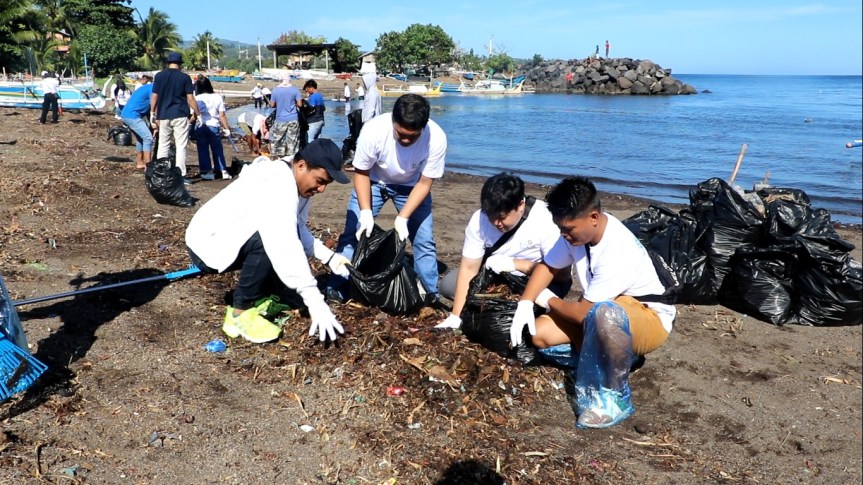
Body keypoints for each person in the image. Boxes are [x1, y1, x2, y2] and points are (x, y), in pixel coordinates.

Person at [509, 176, 675, 428]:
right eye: (560, 229)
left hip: (648, 318)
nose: (564, 235)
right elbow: (548, 266)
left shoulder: (617, 250)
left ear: (593, 217)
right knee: (540, 334)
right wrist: (525, 301)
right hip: (604, 311)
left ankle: (613, 398)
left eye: (568, 229)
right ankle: (614, 359)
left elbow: (582, 313)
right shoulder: (575, 236)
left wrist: (549, 299)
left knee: (604, 314)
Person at [185, 138, 352, 344]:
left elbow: (298, 228)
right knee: (269, 241)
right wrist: (315, 301)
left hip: (229, 235)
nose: (322, 190)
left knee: (278, 236)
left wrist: (330, 258)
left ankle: (265, 291)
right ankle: (239, 314)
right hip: (207, 243)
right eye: (320, 181)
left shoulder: (297, 184)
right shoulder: (277, 183)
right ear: (301, 165)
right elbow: (284, 244)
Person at [329, 94, 447, 304]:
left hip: (412, 187)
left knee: (424, 241)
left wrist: (402, 218)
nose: (406, 140)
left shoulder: (436, 138)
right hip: (373, 182)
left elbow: (425, 182)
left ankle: (430, 293)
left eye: (412, 136)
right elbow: (362, 173)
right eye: (401, 134)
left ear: (424, 127)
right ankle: (339, 285)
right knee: (352, 233)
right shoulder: (373, 130)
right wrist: (365, 213)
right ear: (393, 121)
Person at [435, 173, 571, 329]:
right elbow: (469, 267)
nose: (495, 223)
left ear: (520, 205)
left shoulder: (545, 218)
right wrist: (456, 316)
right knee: (448, 285)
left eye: (502, 217)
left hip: (537, 280)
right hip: (497, 278)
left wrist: (515, 265)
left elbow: (562, 275)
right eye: (491, 216)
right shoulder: (479, 219)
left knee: (515, 311)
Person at [150, 52, 201, 178]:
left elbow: (155, 96)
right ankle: (181, 175)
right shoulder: (184, 77)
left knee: (163, 145)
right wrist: (198, 114)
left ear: (168, 63)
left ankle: (161, 172)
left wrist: (152, 112)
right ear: (180, 64)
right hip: (180, 114)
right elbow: (190, 98)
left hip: (163, 114)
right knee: (181, 146)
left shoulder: (159, 76)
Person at [194, 77, 233, 181]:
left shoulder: (197, 98)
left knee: (203, 149)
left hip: (200, 125)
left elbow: (194, 115)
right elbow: (222, 115)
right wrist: (227, 128)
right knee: (217, 149)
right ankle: (222, 170)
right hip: (214, 125)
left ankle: (207, 172)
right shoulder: (217, 97)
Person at [120, 74, 155, 170]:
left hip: (128, 114)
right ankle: (149, 167)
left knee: (141, 138)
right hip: (132, 115)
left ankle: (140, 163)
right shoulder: (153, 88)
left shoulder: (147, 87)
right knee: (148, 138)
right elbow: (153, 105)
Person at [268, 78, 303, 158]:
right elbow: (300, 104)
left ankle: (279, 160)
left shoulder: (275, 90)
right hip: (293, 118)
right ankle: (291, 160)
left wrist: (280, 103)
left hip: (280, 119)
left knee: (279, 141)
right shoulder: (295, 90)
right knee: (292, 142)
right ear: (289, 80)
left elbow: (272, 105)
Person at [302, 79, 326, 144]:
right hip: (321, 120)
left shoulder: (313, 97)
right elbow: (323, 109)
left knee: (309, 140)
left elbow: (311, 109)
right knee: (318, 140)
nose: (306, 91)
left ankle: (309, 153)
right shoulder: (320, 95)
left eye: (307, 89)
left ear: (311, 88)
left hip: (314, 121)